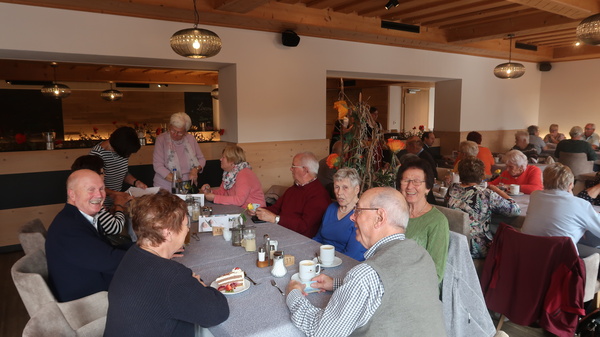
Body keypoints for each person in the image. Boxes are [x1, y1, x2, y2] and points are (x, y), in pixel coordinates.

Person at [286, 187, 445, 336]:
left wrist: (293, 293)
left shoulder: (366, 275)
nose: (352, 216)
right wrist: (336, 284)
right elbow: (394, 292)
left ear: (379, 217)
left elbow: (322, 331)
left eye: (358, 210)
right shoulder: (421, 255)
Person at [104, 191, 229, 337]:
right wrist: (200, 285)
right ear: (167, 233)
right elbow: (217, 313)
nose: (188, 229)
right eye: (185, 225)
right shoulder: (171, 276)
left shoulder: (133, 253)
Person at [45, 169, 127, 302]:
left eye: (102, 189)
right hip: (86, 302)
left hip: (92, 280)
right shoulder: (68, 228)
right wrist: (155, 253)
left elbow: (106, 252)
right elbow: (111, 261)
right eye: (91, 189)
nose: (99, 195)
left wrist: (147, 245)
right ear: (72, 194)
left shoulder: (79, 217)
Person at [446, 157, 521, 258]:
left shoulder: (452, 188)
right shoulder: (485, 194)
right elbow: (515, 210)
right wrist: (498, 191)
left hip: (453, 243)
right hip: (477, 247)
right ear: (482, 175)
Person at [521, 163, 600, 249]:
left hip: (526, 254)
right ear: (570, 185)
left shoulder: (535, 196)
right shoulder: (580, 204)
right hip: (560, 260)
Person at [254, 152, 331, 238]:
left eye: (293, 166)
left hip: (300, 239)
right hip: (281, 231)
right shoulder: (293, 189)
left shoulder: (319, 195)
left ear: (305, 170)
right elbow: (275, 209)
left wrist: (275, 219)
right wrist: (258, 211)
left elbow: (304, 226)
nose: (291, 169)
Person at [397, 159, 449, 283]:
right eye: (406, 181)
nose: (410, 186)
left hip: (417, 287)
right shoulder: (394, 213)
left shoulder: (437, 221)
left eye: (416, 181)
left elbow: (436, 273)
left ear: (428, 188)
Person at [313, 168, 366, 261]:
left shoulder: (362, 214)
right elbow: (318, 238)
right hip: (322, 258)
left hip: (345, 263)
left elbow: (352, 256)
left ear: (357, 189)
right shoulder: (331, 208)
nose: (339, 192)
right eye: (337, 187)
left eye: (345, 187)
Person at [70, 155, 128, 236]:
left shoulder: (78, 193)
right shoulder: (90, 199)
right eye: (102, 173)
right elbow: (115, 228)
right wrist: (119, 205)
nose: (104, 175)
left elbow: (102, 221)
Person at [90, 126, 146, 206]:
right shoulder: (97, 155)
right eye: (128, 153)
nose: (128, 156)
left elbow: (123, 172)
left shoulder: (122, 151)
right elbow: (94, 186)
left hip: (117, 202)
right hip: (101, 204)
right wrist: (117, 194)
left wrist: (136, 182)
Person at [153, 112, 206, 191]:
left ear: (185, 131)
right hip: (164, 186)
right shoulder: (161, 139)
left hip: (188, 185)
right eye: (173, 130)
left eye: (179, 132)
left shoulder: (190, 139)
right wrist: (175, 179)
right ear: (169, 126)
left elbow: (201, 159)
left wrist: (195, 170)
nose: (175, 134)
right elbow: (158, 165)